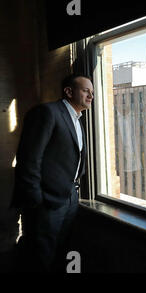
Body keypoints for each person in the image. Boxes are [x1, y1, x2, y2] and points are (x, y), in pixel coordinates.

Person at [11, 73, 93, 272]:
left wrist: (73, 194)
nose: (91, 96)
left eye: (92, 92)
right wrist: (36, 200)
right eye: (85, 91)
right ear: (68, 91)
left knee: (59, 252)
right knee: (40, 256)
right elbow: (29, 159)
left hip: (69, 198)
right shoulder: (47, 112)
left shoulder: (78, 120)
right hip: (46, 202)